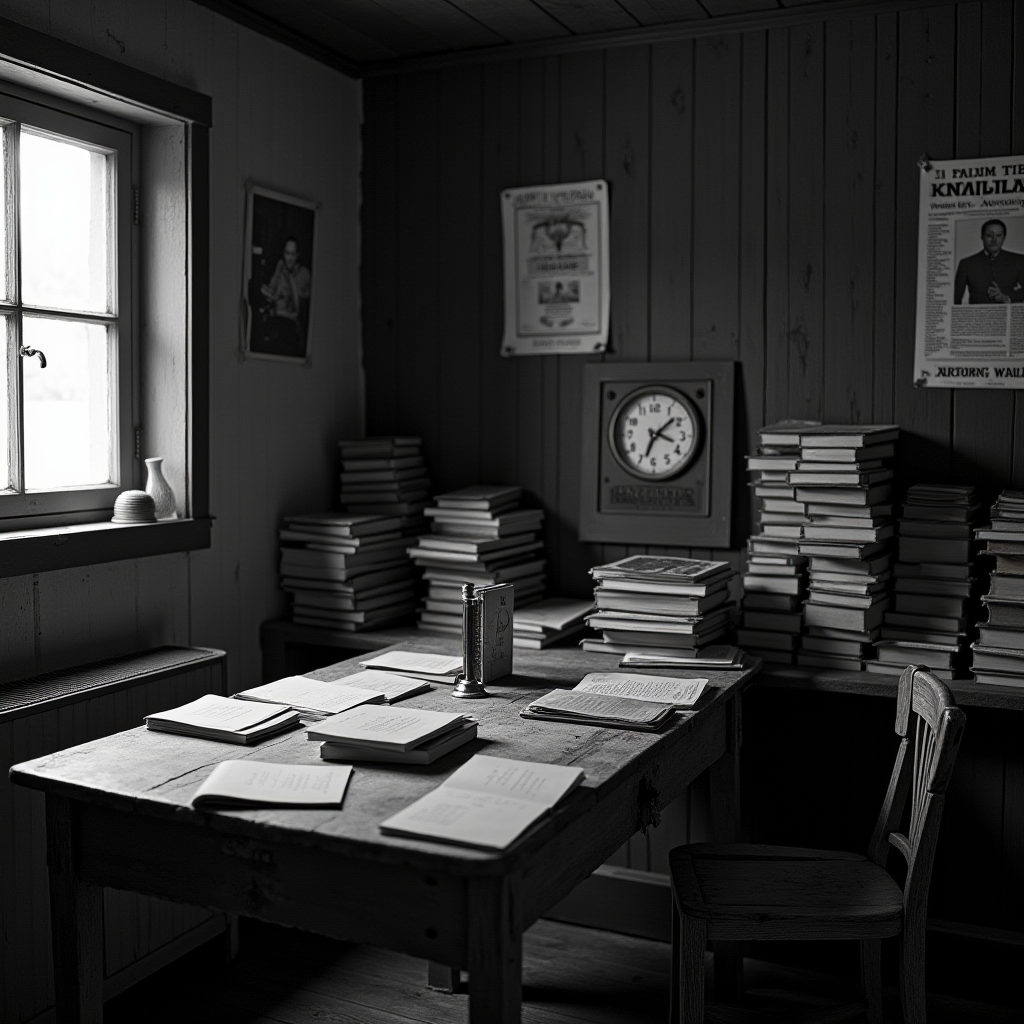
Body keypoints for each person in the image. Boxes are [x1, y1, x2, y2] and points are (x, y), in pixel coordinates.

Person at [953, 219, 1024, 304]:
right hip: (977, 316)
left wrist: (1007, 297)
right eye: (989, 235)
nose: (994, 240)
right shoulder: (966, 264)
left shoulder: (1018, 260)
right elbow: (955, 301)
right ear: (982, 237)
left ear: (1004, 237)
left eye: (998, 235)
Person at [261, 237, 311, 322]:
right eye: (287, 253)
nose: (289, 258)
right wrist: (277, 271)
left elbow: (297, 310)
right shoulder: (281, 270)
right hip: (277, 322)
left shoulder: (303, 273)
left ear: (297, 255)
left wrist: (289, 276)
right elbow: (271, 294)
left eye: (292, 254)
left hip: (294, 325)